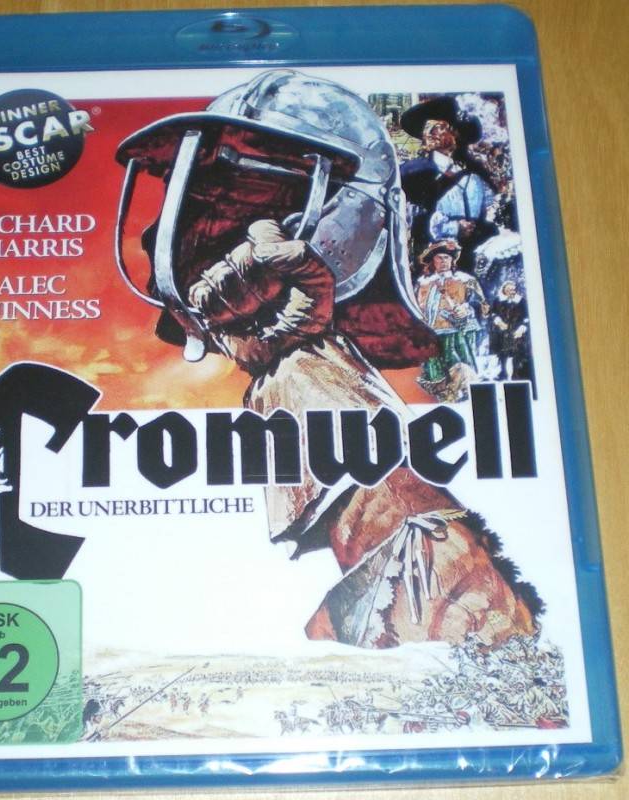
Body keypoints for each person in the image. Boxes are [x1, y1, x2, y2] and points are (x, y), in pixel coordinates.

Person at [116, 69, 539, 650]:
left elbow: (461, 604)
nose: (208, 234)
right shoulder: (284, 372)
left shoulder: (313, 374)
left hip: (441, 584)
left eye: (242, 200)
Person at [400, 96, 498, 270]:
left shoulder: (475, 176)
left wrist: (474, 229)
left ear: (455, 134)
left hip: (469, 260)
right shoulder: (409, 172)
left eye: (436, 128)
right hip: (426, 260)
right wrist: (454, 228)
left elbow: (488, 215)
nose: (428, 134)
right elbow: (406, 218)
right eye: (426, 128)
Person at [415, 240, 489, 398]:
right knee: (435, 369)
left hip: (457, 333)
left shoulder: (465, 280)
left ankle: (464, 392)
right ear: (433, 260)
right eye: (439, 257)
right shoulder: (423, 283)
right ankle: (443, 394)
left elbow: (482, 305)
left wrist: (467, 309)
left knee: (459, 364)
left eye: (446, 258)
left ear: (452, 260)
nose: (443, 261)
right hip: (431, 334)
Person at [490, 280, 530, 380]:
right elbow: (493, 313)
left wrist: (521, 329)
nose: (511, 291)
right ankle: (503, 372)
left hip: (516, 330)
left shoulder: (521, 301)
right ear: (504, 290)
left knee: (516, 353)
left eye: (513, 289)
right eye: (508, 289)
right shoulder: (498, 300)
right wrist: (498, 322)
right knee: (502, 353)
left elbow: (526, 316)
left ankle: (516, 373)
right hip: (502, 331)